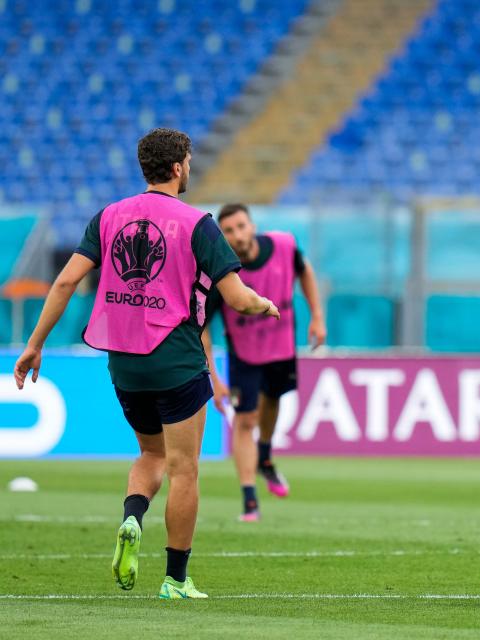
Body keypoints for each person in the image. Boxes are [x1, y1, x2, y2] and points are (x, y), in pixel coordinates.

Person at [13, 128, 281, 599]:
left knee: (150, 454)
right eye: (190, 161)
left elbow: (63, 283)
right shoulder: (199, 224)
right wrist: (264, 303)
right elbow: (236, 300)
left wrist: (35, 344)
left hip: (124, 364)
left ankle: (133, 519)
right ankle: (176, 580)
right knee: (184, 468)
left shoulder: (108, 216)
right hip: (177, 362)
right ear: (178, 167)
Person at [201, 204, 326, 521]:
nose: (237, 235)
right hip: (244, 355)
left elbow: (306, 271)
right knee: (245, 421)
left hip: (281, 348)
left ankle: (266, 458)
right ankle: (249, 499)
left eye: (241, 226)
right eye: (228, 230)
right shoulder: (222, 272)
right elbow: (202, 327)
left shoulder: (284, 245)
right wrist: (214, 379)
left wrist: (317, 317)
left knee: (273, 402)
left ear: (253, 225)